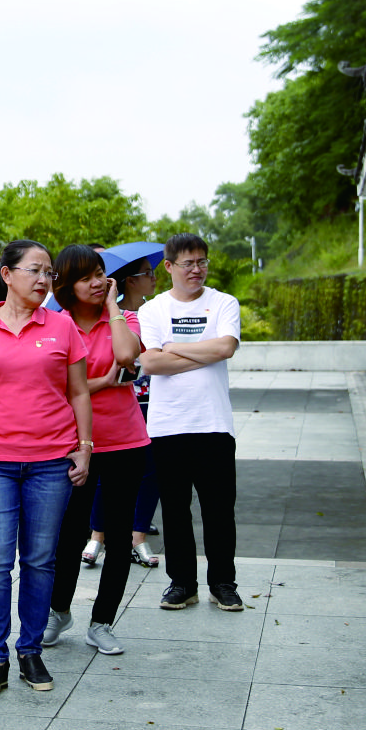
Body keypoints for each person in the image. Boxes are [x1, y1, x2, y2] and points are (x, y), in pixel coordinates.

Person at [0, 240, 91, 700]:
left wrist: (85, 447)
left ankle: (30, 650)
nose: (44, 279)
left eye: (49, 272)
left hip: (51, 463)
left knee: (40, 561)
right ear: (7, 274)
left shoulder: (63, 327)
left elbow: (79, 392)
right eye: (35, 270)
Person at [40, 246, 149, 656]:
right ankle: (59, 611)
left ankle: (102, 622)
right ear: (67, 284)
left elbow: (127, 355)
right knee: (69, 535)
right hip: (73, 444)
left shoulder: (125, 319)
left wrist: (114, 308)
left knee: (119, 536)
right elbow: (58, 387)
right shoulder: (57, 324)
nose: (96, 282)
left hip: (126, 441)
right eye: (86, 277)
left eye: (100, 274)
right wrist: (104, 382)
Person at [139, 233, 244, 612]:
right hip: (167, 426)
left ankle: (223, 583)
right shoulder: (153, 310)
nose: (197, 269)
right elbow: (150, 363)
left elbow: (226, 347)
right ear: (169, 267)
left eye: (202, 262)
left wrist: (174, 348)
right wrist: (203, 352)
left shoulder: (223, 302)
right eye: (188, 263)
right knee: (175, 509)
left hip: (214, 423)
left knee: (219, 509)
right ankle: (182, 583)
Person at [85, 247, 162, 569]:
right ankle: (98, 534)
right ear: (129, 280)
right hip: (110, 411)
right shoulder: (101, 318)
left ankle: (137, 535)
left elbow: (141, 357)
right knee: (102, 478)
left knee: (150, 472)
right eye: (148, 273)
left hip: (152, 403)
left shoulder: (148, 313)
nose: (155, 278)